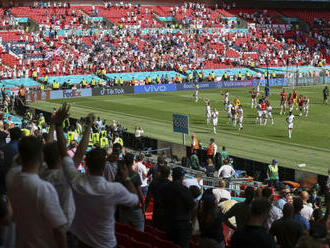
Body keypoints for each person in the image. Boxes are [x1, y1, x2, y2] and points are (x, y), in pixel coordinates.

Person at [54, 104, 139, 248]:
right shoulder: (114, 189)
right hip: (105, 244)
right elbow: (135, 201)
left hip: (81, 242)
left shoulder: (76, 180)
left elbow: (65, 153)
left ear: (86, 164)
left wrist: (58, 125)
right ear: (103, 166)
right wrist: (127, 177)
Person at [6, 136, 68, 248]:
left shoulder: (11, 177)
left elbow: (16, 164)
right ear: (41, 157)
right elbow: (59, 230)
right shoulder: (44, 189)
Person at [159, 167, 194, 248]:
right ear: (181, 177)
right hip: (181, 224)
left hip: (168, 221)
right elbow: (191, 205)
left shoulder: (165, 187)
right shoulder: (183, 189)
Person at [116, 155, 145, 231]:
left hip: (123, 208)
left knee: (124, 231)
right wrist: (143, 209)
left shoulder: (119, 175)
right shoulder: (135, 175)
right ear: (132, 162)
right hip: (134, 208)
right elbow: (140, 194)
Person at [145, 164, 171, 231]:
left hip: (156, 211)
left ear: (160, 173)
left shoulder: (154, 183)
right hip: (166, 213)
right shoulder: (171, 185)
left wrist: (144, 210)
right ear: (168, 174)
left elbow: (148, 198)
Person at [0, 127, 21, 194]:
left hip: (4, 179)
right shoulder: (23, 149)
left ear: (10, 135)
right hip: (17, 180)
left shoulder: (3, 148)